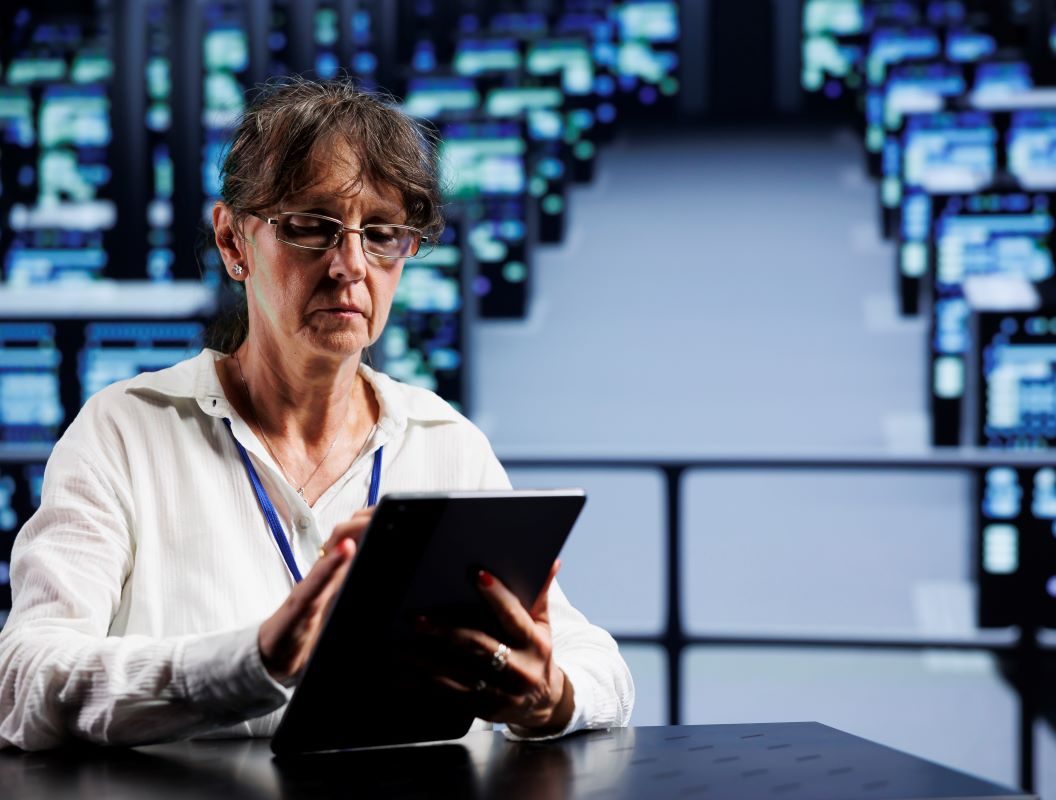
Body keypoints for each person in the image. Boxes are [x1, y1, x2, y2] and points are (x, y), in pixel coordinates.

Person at [0, 78, 634, 751]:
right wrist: (250, 663)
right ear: (233, 242)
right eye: (311, 227)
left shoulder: (445, 444)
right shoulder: (124, 432)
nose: (350, 265)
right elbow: (20, 681)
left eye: (384, 233)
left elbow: (602, 670)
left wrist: (549, 695)